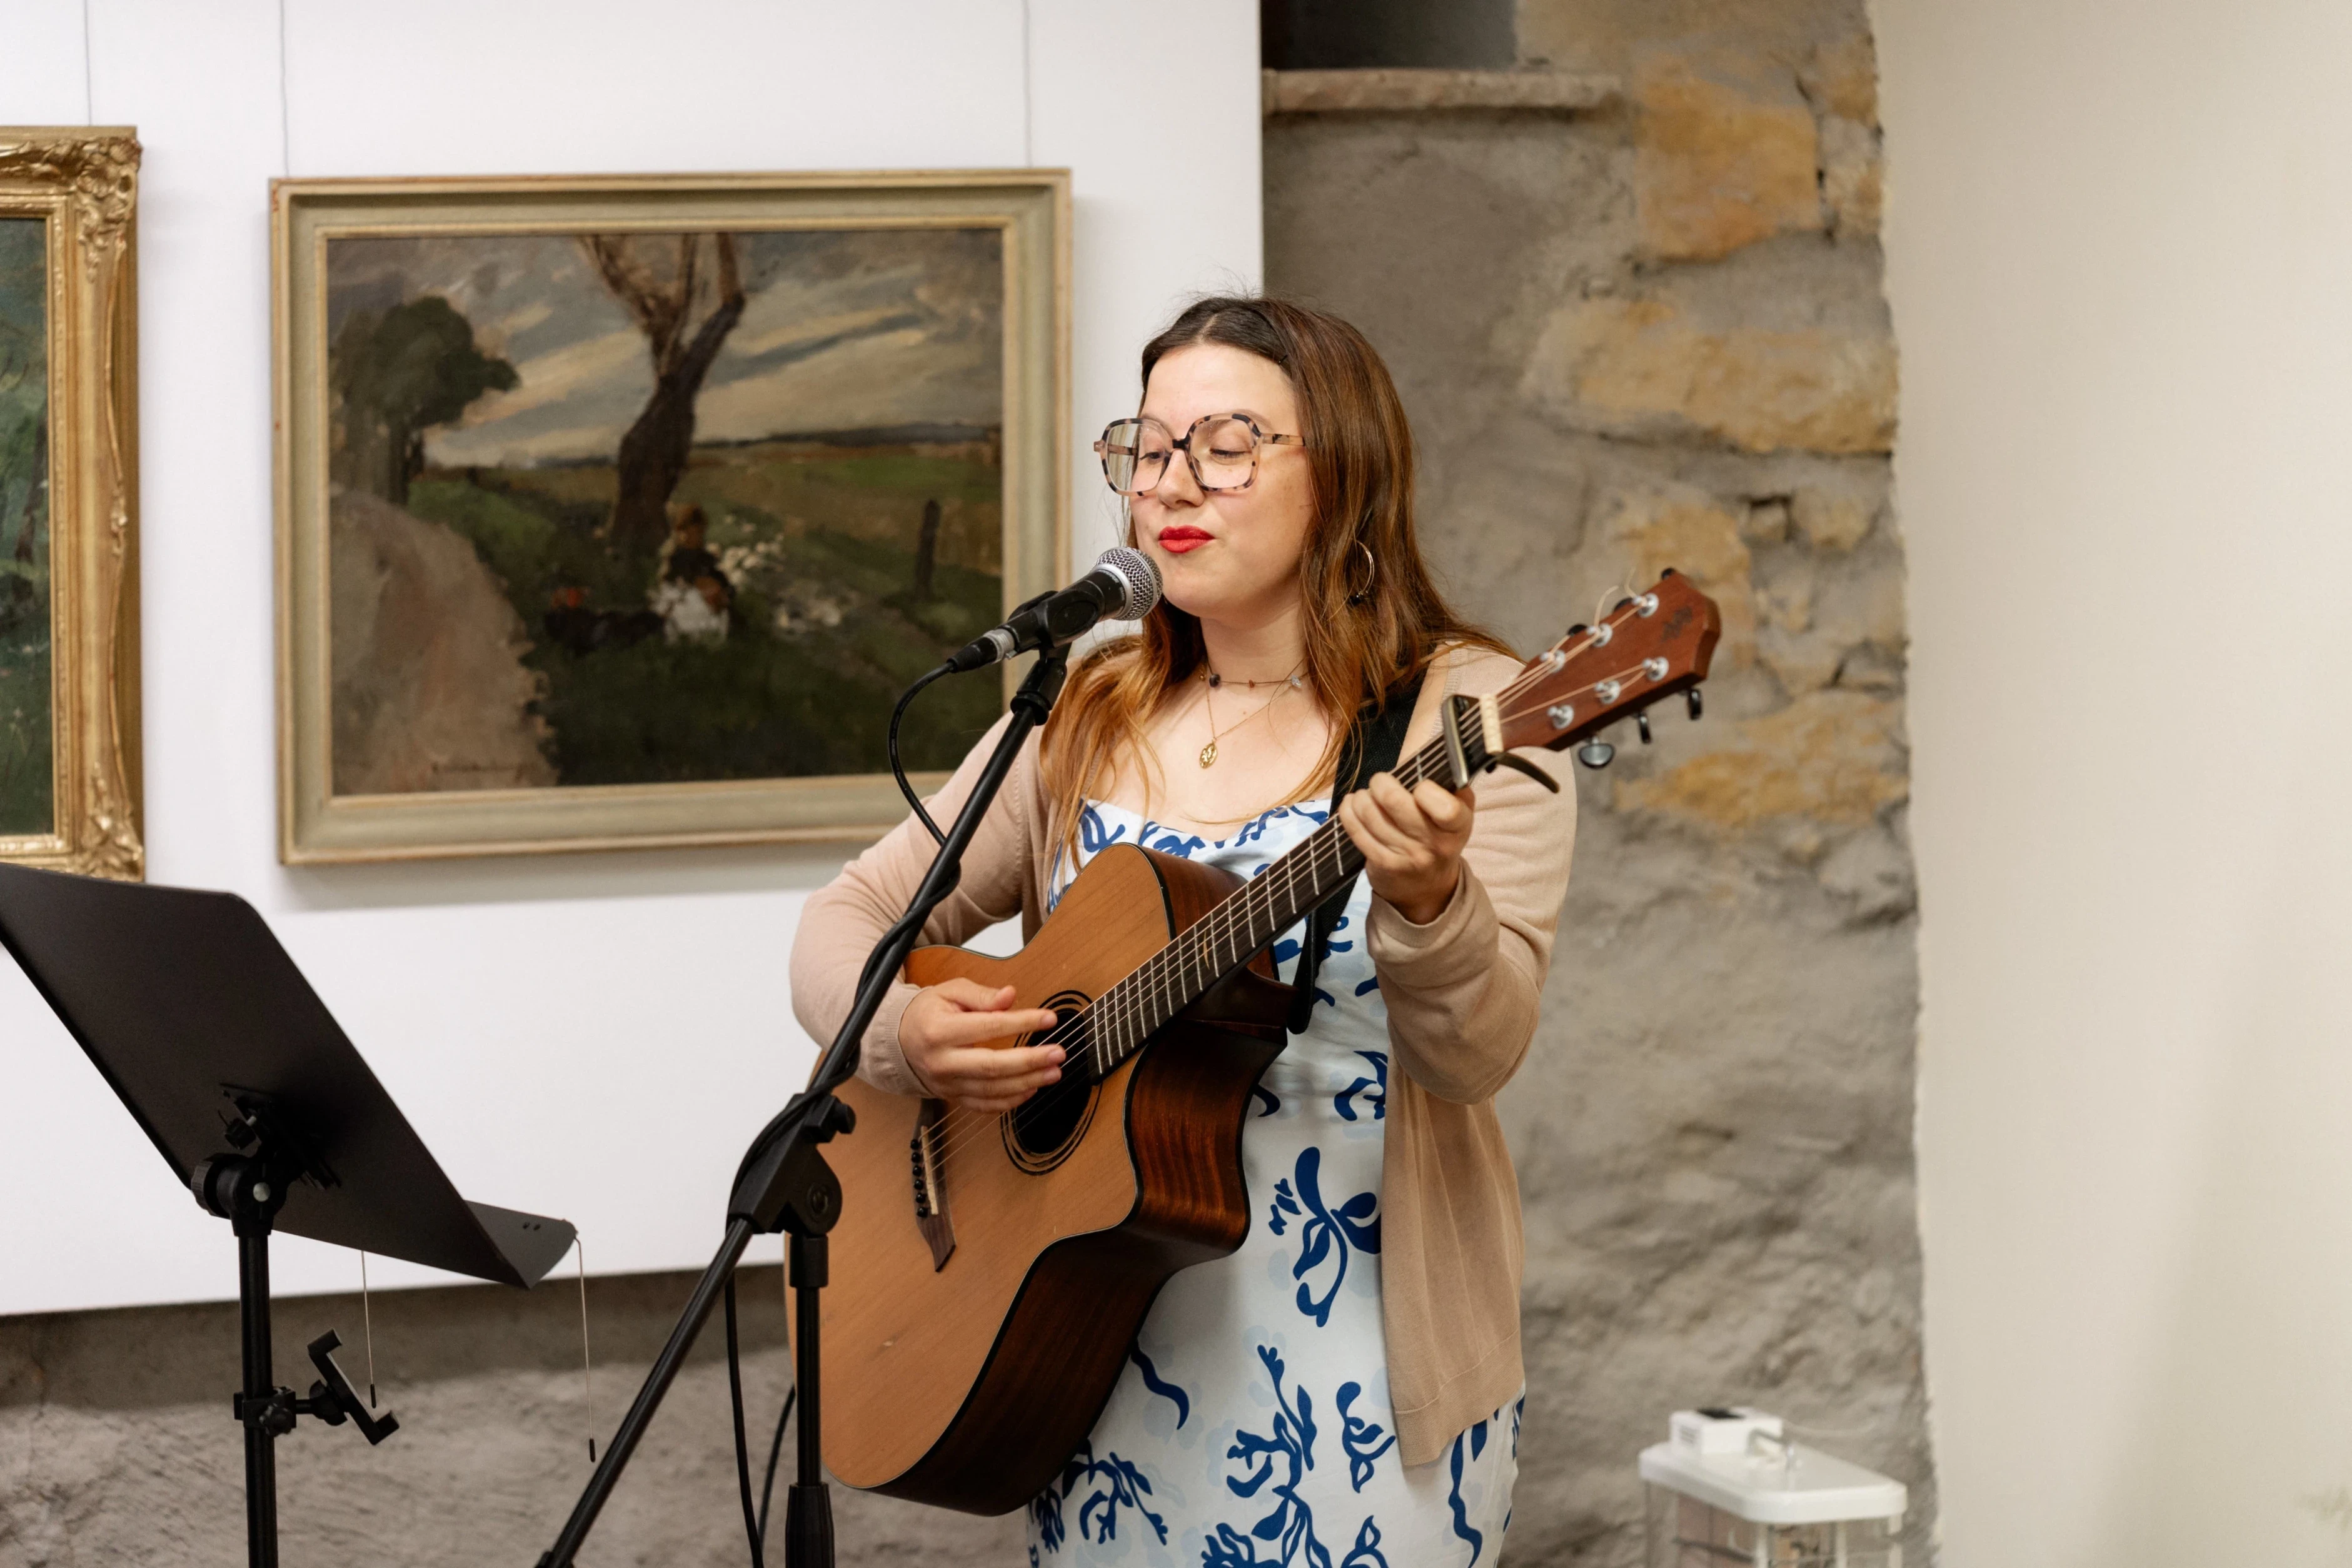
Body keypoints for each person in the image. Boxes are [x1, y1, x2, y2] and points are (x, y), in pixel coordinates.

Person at [790, 296, 1576, 1567]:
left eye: (1226, 446)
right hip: (1081, 1346)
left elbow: (1476, 1054)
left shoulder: (1471, 714)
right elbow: (849, 920)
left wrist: (1431, 905)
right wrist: (906, 1034)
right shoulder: (1088, 711)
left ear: (1347, 473)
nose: (1168, 484)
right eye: (1148, 448)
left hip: (1364, 1374)